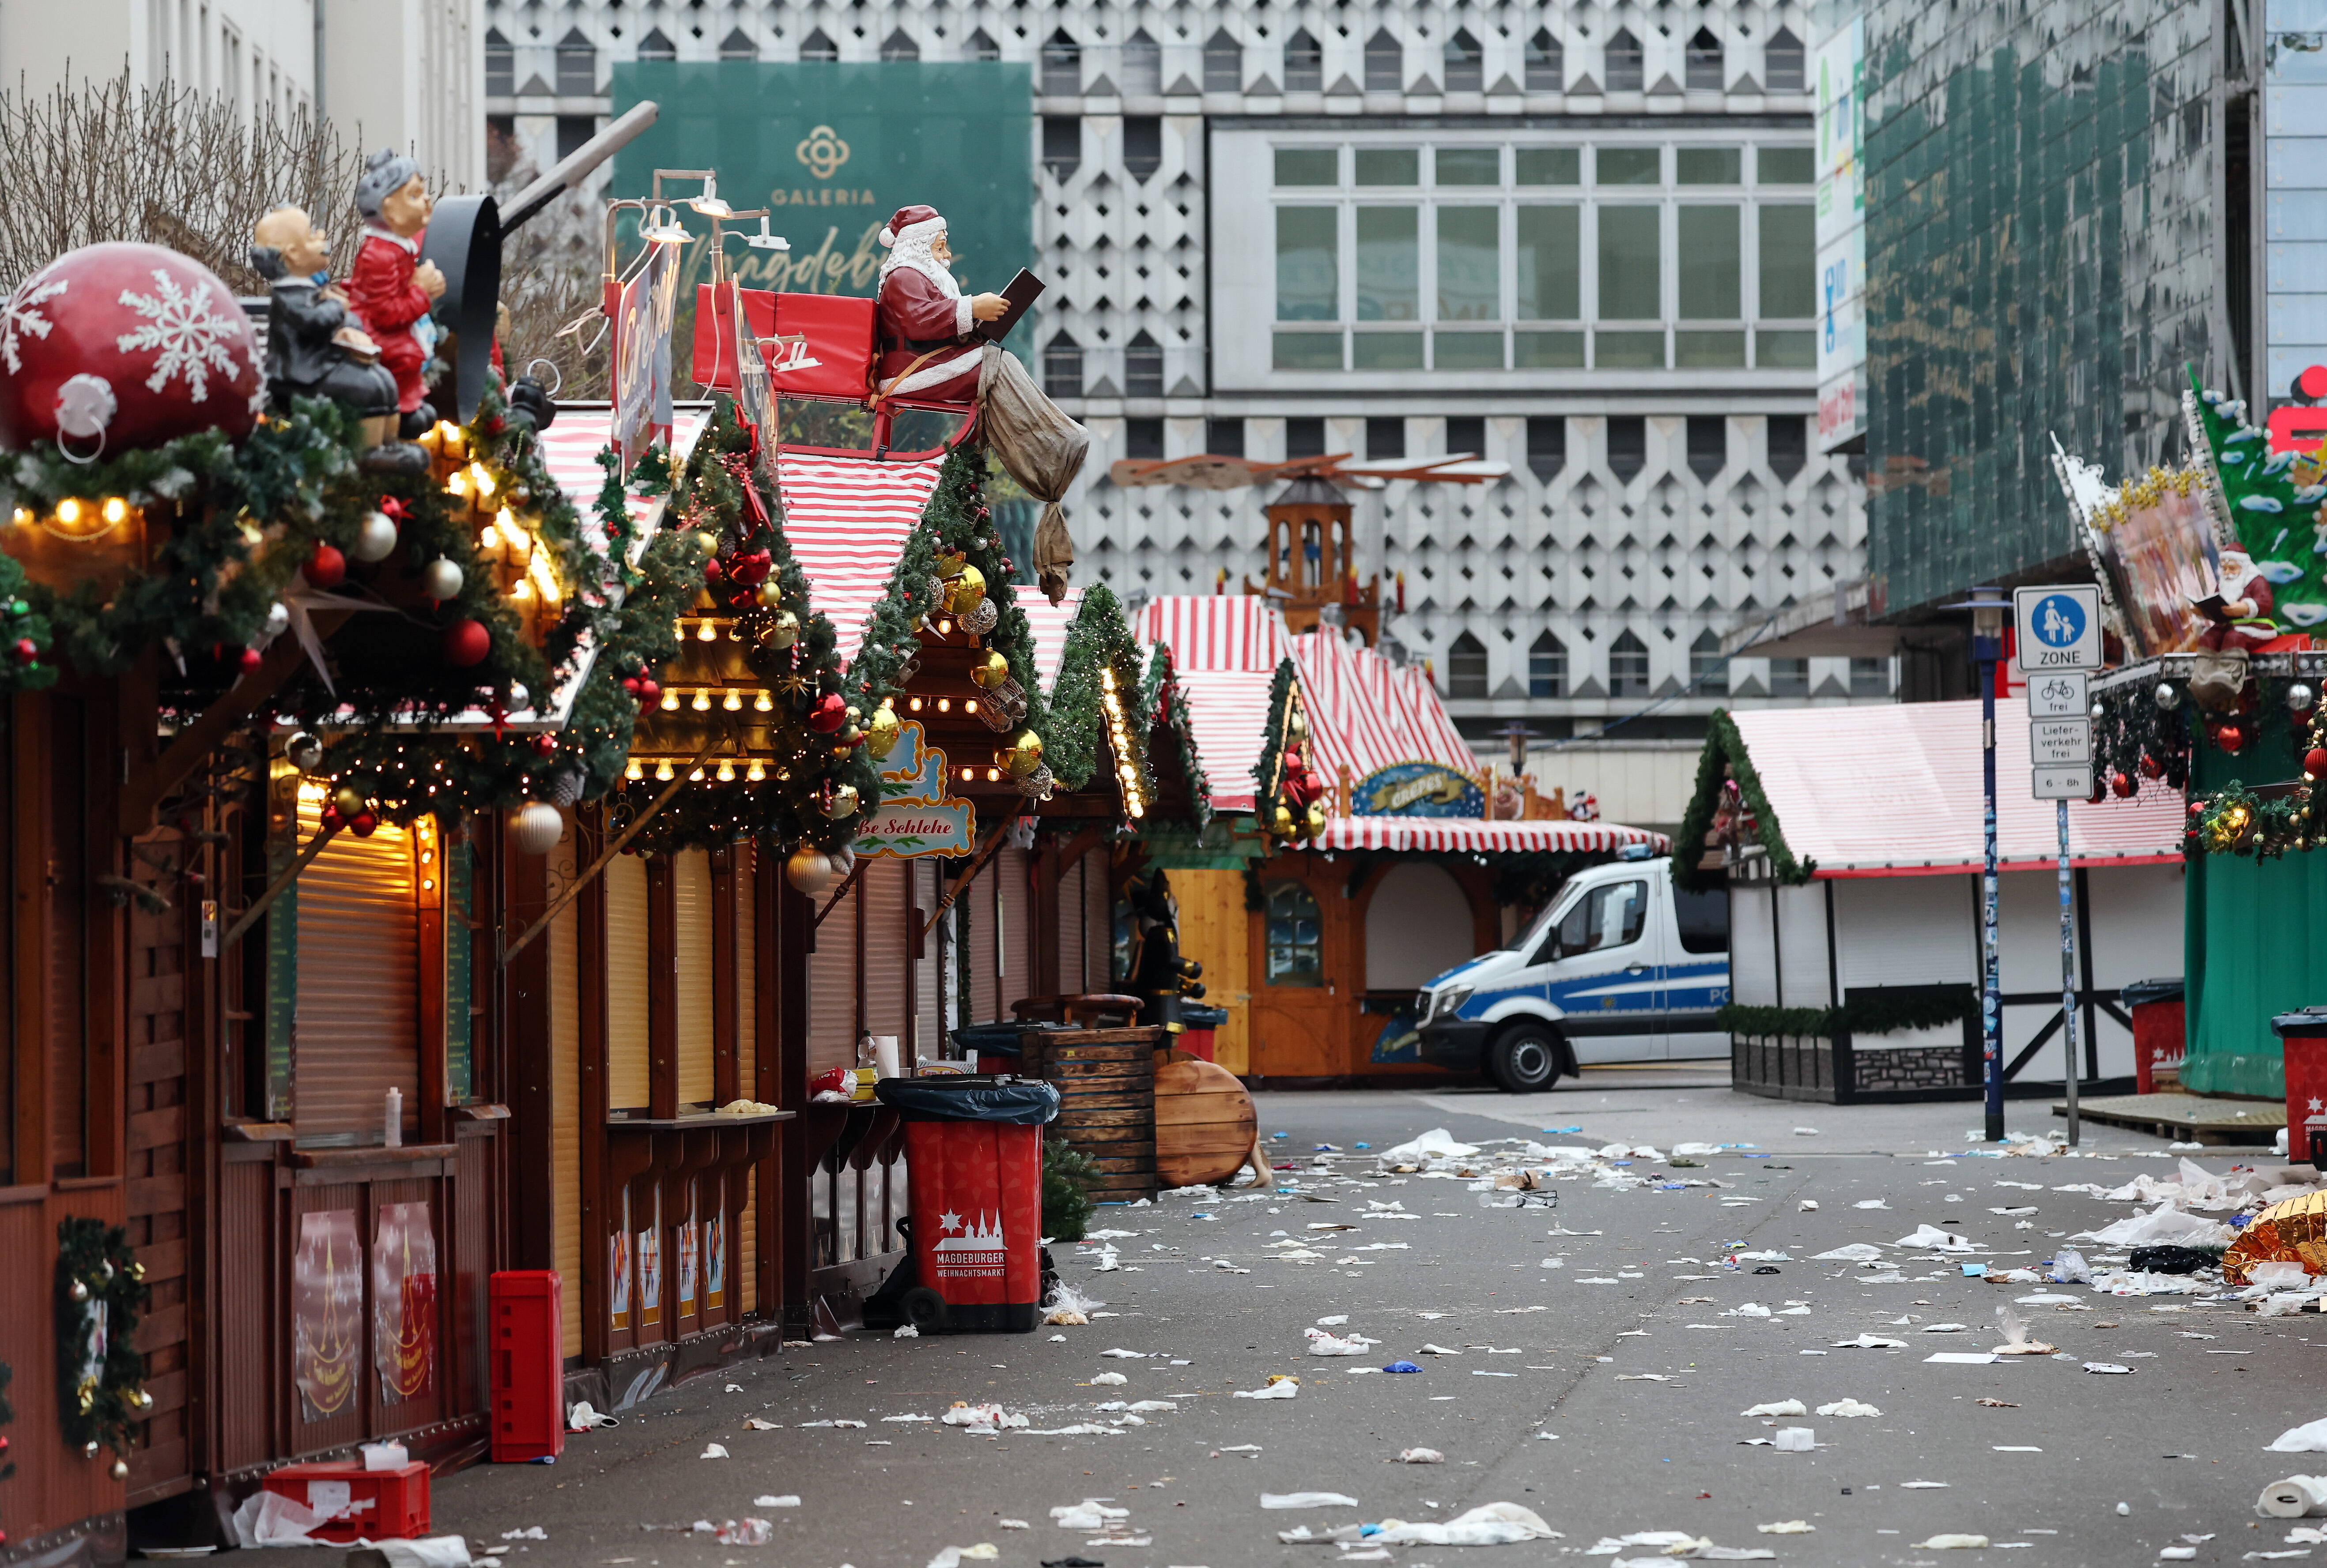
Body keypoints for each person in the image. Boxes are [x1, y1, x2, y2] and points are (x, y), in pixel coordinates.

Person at [249, 206, 419, 471]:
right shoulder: (288, 296)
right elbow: (315, 322)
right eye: (311, 235)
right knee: (366, 387)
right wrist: (338, 308)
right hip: (299, 378)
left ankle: (389, 443)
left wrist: (345, 319)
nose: (322, 236)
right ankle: (369, 450)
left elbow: (341, 320)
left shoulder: (314, 292)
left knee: (384, 379)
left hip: (323, 366)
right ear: (292, 254)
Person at [345, 149, 447, 436]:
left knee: (414, 353)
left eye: (424, 193)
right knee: (403, 356)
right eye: (415, 196)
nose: (426, 200)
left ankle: (406, 405)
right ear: (389, 209)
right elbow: (387, 314)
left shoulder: (397, 249)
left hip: (392, 328)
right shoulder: (380, 255)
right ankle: (394, 414)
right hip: (374, 333)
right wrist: (422, 291)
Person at [873, 205, 1008, 403]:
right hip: (911, 370)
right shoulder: (904, 277)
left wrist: (980, 326)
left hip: (932, 360)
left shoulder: (924, 279)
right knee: (999, 366)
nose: (947, 255)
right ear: (920, 248)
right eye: (940, 248)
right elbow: (920, 322)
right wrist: (972, 307)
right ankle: (1047, 429)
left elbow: (940, 327)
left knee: (999, 363)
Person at [2201, 547, 2279, 652]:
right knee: (2207, 638)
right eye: (2225, 569)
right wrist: (2204, 611)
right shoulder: (2222, 585)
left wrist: (2246, 607)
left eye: (2232, 568)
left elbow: (2266, 603)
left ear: (2244, 567)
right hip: (2227, 626)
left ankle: (2230, 668)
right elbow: (2216, 603)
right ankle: (2206, 667)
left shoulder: (2257, 581)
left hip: (2256, 626)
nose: (2228, 573)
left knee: (2233, 638)